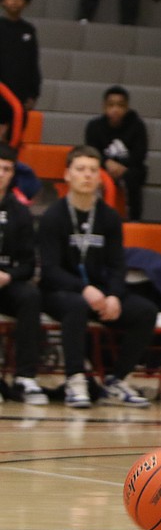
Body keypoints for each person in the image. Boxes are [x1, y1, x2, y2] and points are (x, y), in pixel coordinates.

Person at [39, 146, 157, 408]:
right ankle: (75, 379)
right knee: (76, 306)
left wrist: (115, 295)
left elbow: (117, 265)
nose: (87, 176)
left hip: (100, 292)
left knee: (145, 311)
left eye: (93, 170)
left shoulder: (109, 217)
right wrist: (84, 289)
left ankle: (117, 380)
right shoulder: (53, 216)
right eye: (80, 169)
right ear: (67, 175)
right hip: (60, 292)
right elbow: (50, 269)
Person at [0, 144, 48, 405]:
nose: (0, 174)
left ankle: (25, 377)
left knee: (30, 296)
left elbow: (29, 264)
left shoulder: (20, 212)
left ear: (12, 174)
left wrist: (8, 276)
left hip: (7, 283)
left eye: (6, 169)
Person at [85, 85, 149, 221]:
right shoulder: (94, 126)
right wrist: (106, 163)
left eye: (120, 105)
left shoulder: (137, 126)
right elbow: (90, 151)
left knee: (135, 175)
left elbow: (140, 154)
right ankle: (94, 217)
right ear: (104, 107)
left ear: (126, 107)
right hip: (103, 167)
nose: (115, 109)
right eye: (111, 105)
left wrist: (121, 166)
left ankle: (134, 219)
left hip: (129, 168)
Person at [0, 0, 40, 146]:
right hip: (1, 88)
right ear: (2, 0)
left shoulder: (28, 30)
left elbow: (33, 62)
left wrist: (33, 92)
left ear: (26, 2)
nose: (14, 1)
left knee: (13, 140)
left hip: (20, 91)